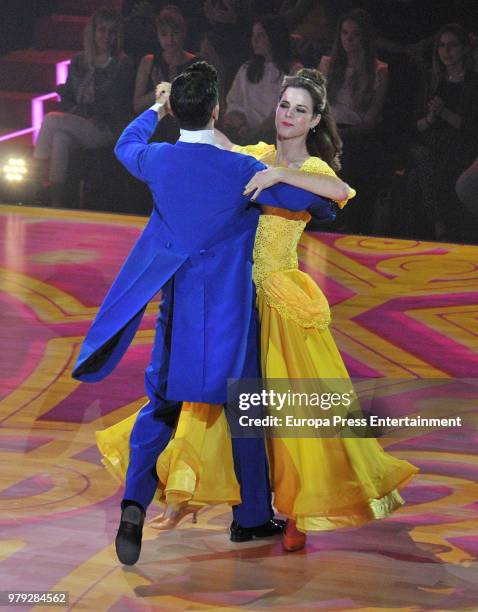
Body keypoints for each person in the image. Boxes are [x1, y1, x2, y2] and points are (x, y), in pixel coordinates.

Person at [99, 68, 418, 553]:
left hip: (279, 302)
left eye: (299, 109)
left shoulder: (310, 171)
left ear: (315, 121)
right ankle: (248, 514)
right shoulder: (252, 161)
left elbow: (340, 193)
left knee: (290, 416)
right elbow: (215, 147)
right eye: (284, 105)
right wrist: (210, 127)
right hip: (237, 304)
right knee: (242, 413)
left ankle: (296, 510)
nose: (287, 114)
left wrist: (279, 172)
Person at [73, 62, 336, 565]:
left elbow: (124, 143)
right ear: (217, 111)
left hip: (178, 323)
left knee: (162, 410)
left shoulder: (158, 160)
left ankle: (133, 505)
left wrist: (155, 106)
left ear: (177, 111)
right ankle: (252, 517)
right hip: (231, 325)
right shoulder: (241, 171)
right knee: (247, 417)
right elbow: (320, 206)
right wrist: (288, 176)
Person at [33, 10, 134, 208]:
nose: (106, 36)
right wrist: (76, 110)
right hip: (80, 121)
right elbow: (67, 98)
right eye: (102, 31)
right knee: (60, 138)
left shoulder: (122, 63)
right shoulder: (79, 60)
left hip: (105, 127)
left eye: (112, 32)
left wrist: (88, 113)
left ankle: (34, 177)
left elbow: (114, 103)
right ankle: (56, 204)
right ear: (93, 33)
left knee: (52, 119)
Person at [405, 23, 478, 240]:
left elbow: (471, 128)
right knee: (421, 159)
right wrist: (430, 118)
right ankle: (438, 227)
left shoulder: (473, 83)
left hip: (462, 143)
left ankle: (444, 228)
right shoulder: (432, 81)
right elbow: (415, 126)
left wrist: (444, 112)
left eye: (452, 45)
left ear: (464, 48)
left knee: (430, 163)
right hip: (432, 140)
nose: (447, 51)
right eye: (442, 46)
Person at [319, 8, 388, 233]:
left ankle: (351, 225)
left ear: (364, 37)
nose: (348, 39)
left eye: (355, 34)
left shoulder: (378, 70)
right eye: (345, 33)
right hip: (329, 129)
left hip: (357, 134)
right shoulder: (329, 65)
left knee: (354, 159)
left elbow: (370, 120)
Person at [224, 16, 302, 144]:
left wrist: (259, 132)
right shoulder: (246, 69)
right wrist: (242, 126)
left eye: (261, 35)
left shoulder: (294, 71)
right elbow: (234, 103)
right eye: (253, 34)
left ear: (274, 37)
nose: (254, 40)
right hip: (244, 135)